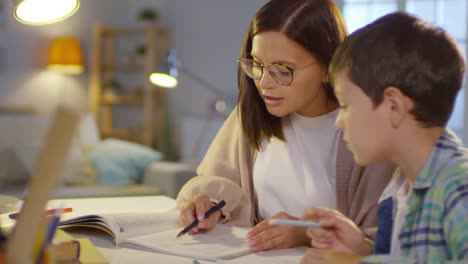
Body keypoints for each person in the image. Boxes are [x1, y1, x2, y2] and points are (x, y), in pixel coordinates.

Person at [176, 0, 395, 252]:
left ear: (328, 67)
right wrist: (203, 205)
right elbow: (216, 182)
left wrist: (307, 234)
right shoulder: (251, 114)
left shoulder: (366, 131)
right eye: (257, 65)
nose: (265, 83)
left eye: (284, 69)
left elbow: (381, 244)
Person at [301, 12, 467, 263]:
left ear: (393, 106)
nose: (339, 123)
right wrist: (364, 250)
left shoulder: (458, 188)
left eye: (345, 106)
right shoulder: (399, 188)